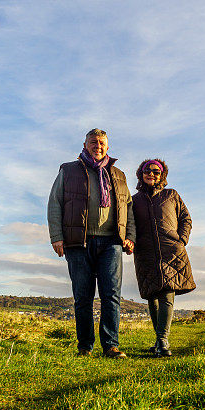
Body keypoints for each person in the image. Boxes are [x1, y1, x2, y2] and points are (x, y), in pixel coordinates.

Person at [47, 129, 135, 358]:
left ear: (108, 146)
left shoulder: (118, 174)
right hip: (78, 243)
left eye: (102, 142)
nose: (98, 145)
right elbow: (55, 203)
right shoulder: (68, 170)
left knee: (111, 295)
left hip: (112, 242)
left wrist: (131, 236)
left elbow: (128, 208)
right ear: (85, 145)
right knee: (83, 297)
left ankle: (111, 346)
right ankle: (85, 346)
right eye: (93, 142)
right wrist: (56, 236)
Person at [131, 159, 195, 356]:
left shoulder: (171, 195)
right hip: (145, 253)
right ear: (141, 174)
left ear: (162, 175)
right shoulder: (134, 200)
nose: (152, 174)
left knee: (167, 294)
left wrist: (181, 239)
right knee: (152, 296)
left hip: (171, 251)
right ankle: (160, 339)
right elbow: (129, 224)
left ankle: (162, 341)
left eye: (156, 171)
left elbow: (186, 218)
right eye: (147, 171)